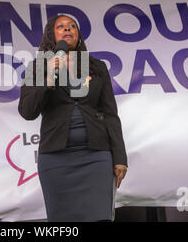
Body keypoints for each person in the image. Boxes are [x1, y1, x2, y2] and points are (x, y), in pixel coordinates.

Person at [18, 14, 128, 222]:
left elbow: (111, 114)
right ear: (52, 34)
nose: (67, 29)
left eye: (72, 26)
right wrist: (48, 78)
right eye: (61, 26)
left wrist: (120, 157)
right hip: (56, 158)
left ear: (78, 34)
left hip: (96, 157)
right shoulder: (39, 66)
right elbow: (27, 111)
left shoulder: (96, 66)